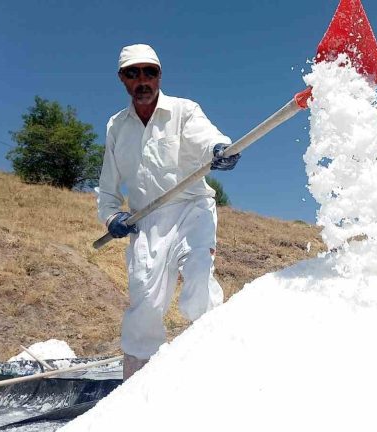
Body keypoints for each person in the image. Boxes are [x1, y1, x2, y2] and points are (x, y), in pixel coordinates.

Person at [97, 44, 240, 380]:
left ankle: (213, 375)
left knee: (198, 285)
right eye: (134, 73)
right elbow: (107, 190)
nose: (143, 80)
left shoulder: (183, 110)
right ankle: (136, 388)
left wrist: (220, 150)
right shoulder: (116, 127)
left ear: (160, 76)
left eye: (150, 72)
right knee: (144, 302)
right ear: (122, 79)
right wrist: (111, 217)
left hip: (192, 209)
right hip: (146, 220)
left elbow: (207, 138)